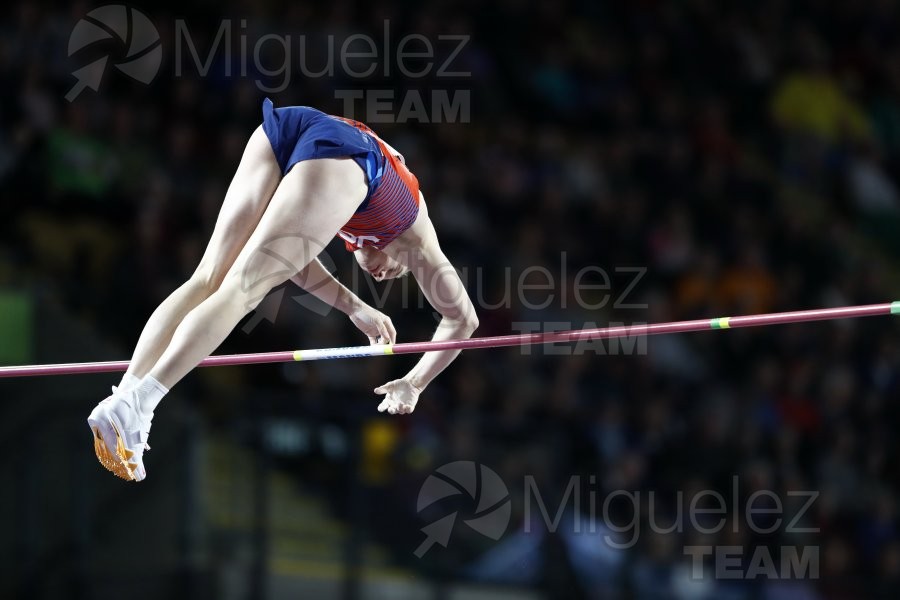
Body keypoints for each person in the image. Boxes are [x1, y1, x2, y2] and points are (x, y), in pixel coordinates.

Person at [87, 99, 479, 482]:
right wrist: (415, 384)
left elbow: (291, 263)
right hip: (347, 154)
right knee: (243, 289)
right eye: (396, 273)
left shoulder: (349, 211)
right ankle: (140, 403)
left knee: (211, 280)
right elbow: (462, 319)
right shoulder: (418, 244)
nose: (385, 275)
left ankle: (123, 396)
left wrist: (354, 307)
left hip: (295, 126)